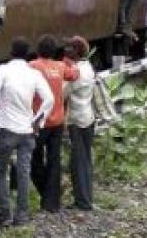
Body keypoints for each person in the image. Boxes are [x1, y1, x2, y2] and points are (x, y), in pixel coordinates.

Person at [0, 37, 54, 228]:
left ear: (11, 53)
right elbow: (49, 99)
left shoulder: (3, 71)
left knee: (0, 172)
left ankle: (5, 215)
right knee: (24, 172)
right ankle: (22, 215)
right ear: (26, 54)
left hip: (7, 130)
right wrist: (39, 120)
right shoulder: (34, 74)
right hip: (28, 131)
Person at [28, 34, 79, 213]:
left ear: (38, 50)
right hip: (58, 121)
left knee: (34, 159)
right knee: (54, 160)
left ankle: (45, 192)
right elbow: (74, 74)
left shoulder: (33, 66)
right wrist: (68, 61)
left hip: (39, 122)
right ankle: (52, 202)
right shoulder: (60, 66)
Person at [63, 36, 96, 211]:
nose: (66, 50)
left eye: (70, 48)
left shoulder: (76, 73)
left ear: (76, 52)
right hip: (88, 117)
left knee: (79, 161)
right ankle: (85, 197)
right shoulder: (88, 67)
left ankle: (83, 201)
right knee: (85, 160)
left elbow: (62, 93)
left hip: (77, 120)